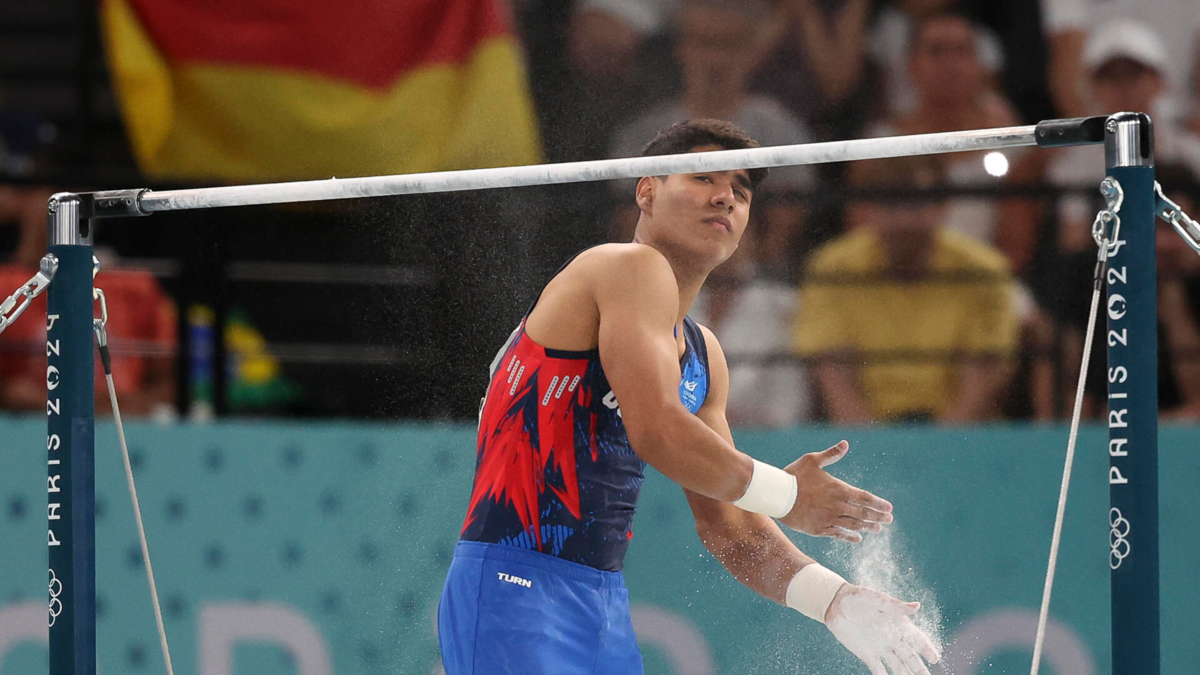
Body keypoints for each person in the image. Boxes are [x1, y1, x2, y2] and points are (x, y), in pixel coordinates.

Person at [438, 120, 940, 675]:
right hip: (513, 582)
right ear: (646, 191)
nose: (726, 196)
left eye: (741, 190)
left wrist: (833, 601)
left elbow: (730, 527)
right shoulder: (622, 266)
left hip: (601, 604)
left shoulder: (704, 356)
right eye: (704, 178)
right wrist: (790, 493)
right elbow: (656, 430)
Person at [795, 154, 1018, 424]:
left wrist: (943, 445)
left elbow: (983, 374)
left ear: (943, 206)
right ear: (869, 208)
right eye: (890, 204)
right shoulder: (832, 268)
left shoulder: (984, 271)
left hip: (961, 434)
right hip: (862, 433)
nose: (903, 219)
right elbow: (831, 372)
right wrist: (867, 445)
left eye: (915, 204)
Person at [0, 191, 177, 417]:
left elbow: (166, 385)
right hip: (29, 420)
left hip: (121, 418)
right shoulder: (7, 285)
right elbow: (13, 393)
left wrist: (130, 406)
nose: (69, 212)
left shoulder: (136, 286)